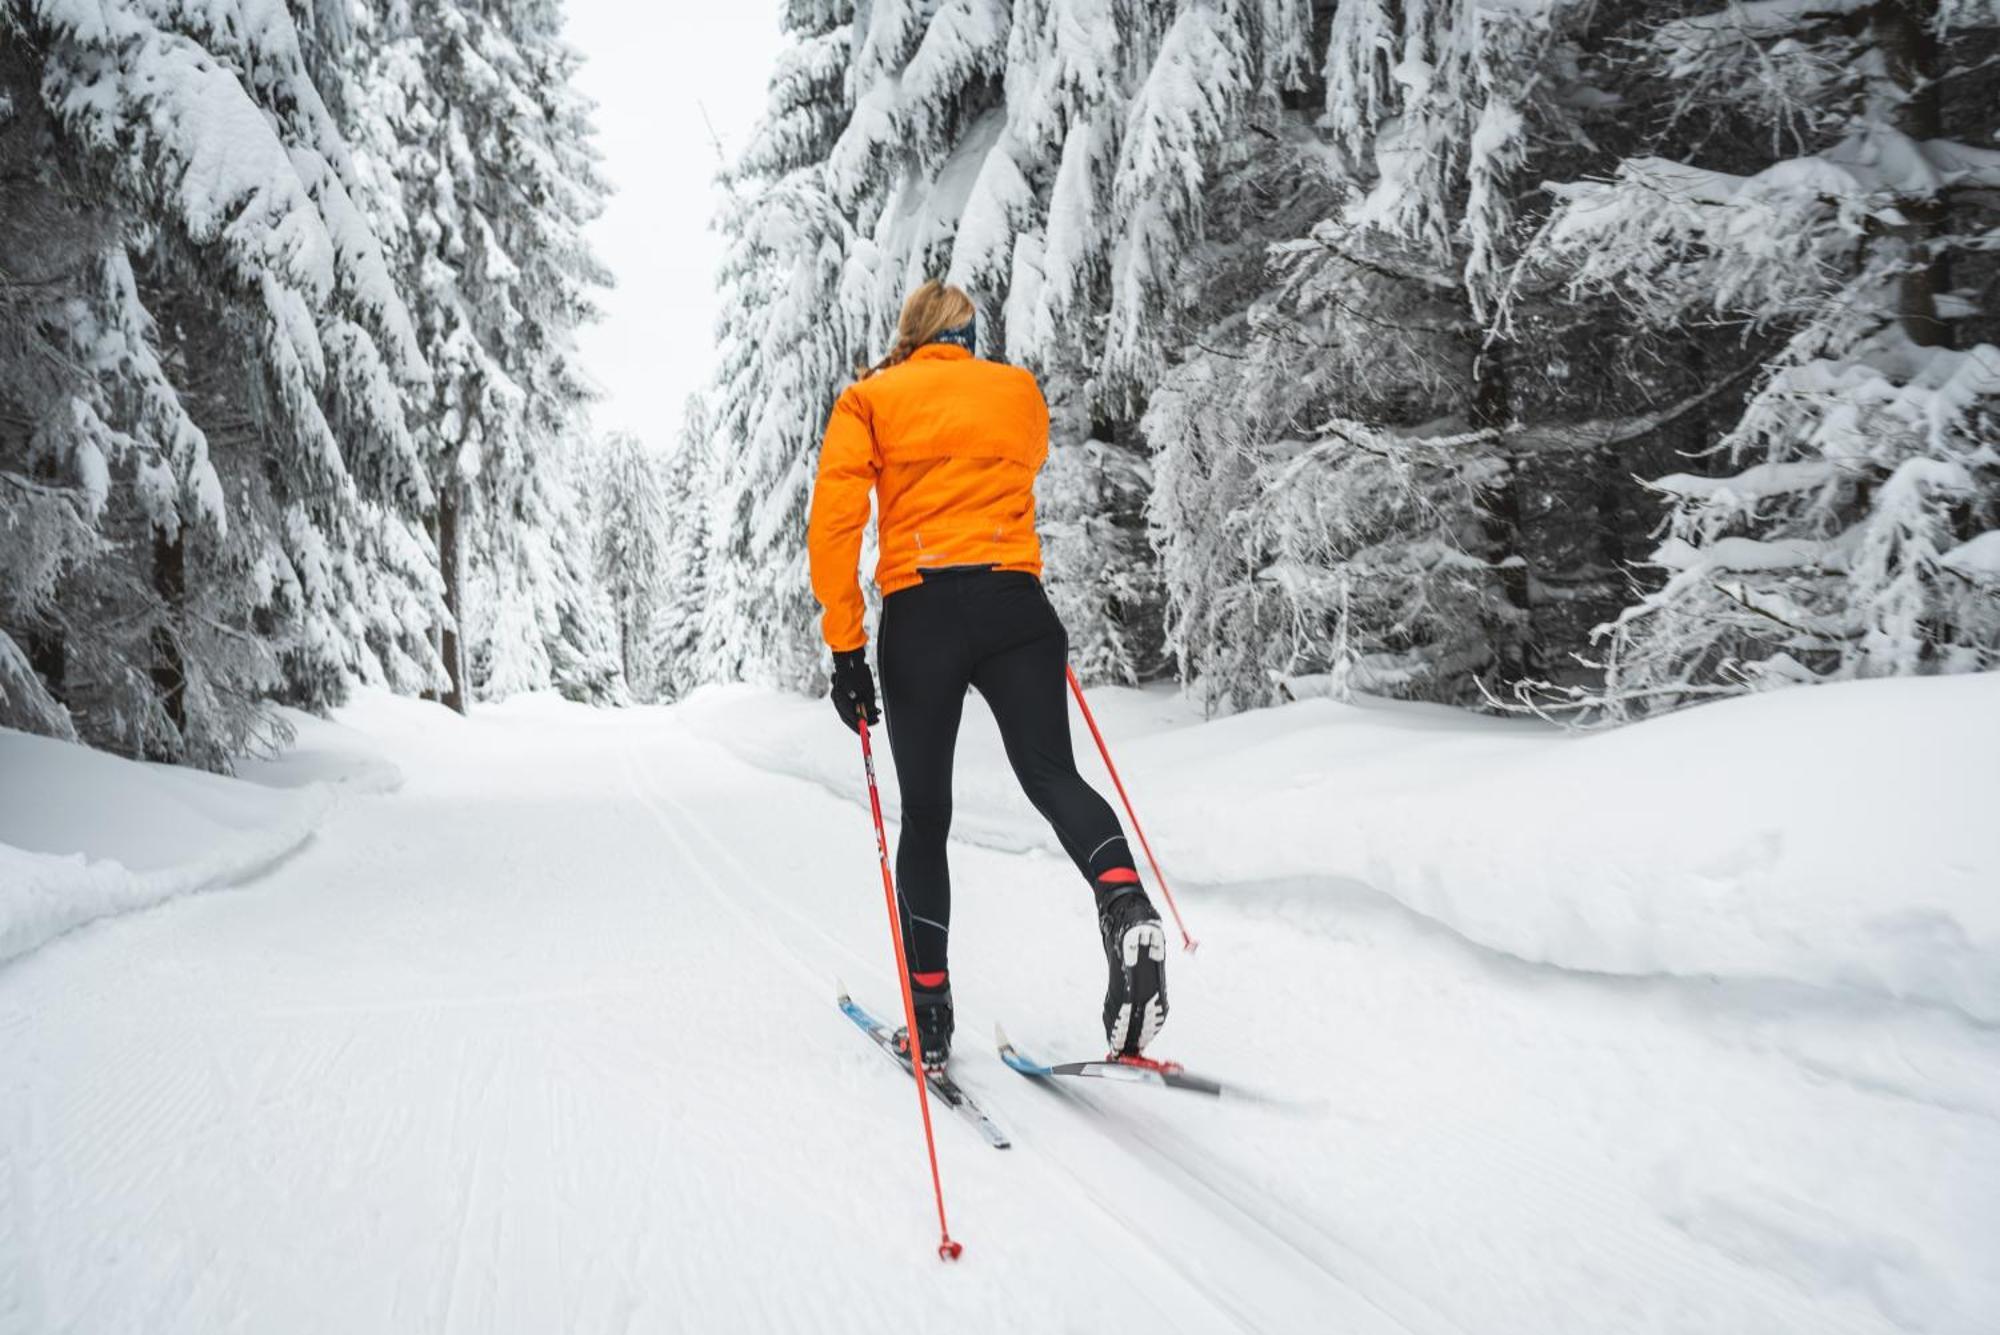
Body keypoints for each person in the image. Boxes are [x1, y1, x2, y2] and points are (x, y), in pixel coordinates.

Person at [806, 280, 1167, 1070]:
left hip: (922, 610)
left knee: (927, 813)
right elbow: (1027, 456)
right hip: (1015, 603)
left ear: (910, 333)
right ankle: (1121, 897)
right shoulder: (1016, 391)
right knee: (1051, 773)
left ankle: (930, 1016)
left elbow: (835, 523)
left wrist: (846, 647)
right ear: (971, 334)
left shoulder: (870, 399)